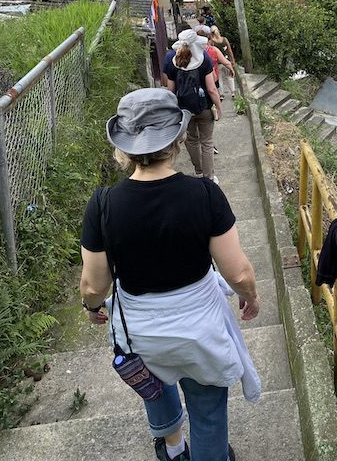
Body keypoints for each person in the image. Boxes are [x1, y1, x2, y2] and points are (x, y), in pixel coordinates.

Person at [80, 88, 261, 461]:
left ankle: (174, 449)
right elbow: (239, 272)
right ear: (178, 138)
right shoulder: (204, 194)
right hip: (200, 329)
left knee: (155, 389)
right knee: (208, 409)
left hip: (142, 334)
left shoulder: (103, 205)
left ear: (124, 146)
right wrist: (250, 295)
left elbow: (94, 286)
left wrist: (92, 306)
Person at [166, 29, 221, 182]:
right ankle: (209, 177)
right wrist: (219, 107)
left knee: (191, 140)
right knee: (207, 142)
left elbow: (170, 90)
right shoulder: (204, 58)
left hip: (184, 110)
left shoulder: (172, 58)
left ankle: (198, 171)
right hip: (204, 107)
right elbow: (211, 88)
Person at [210, 26, 236, 99]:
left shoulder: (212, 41)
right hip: (227, 61)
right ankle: (233, 92)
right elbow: (230, 51)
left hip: (218, 63)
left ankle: (221, 94)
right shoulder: (224, 39)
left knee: (220, 79)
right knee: (229, 76)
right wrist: (232, 60)